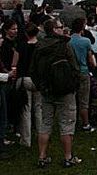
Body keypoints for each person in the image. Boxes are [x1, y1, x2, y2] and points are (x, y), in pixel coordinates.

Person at [30, 18, 82, 169]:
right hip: (65, 90)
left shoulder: (39, 46)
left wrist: (41, 86)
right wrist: (73, 84)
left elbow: (33, 70)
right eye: (60, 27)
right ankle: (68, 157)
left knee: (45, 123)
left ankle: (42, 156)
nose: (62, 29)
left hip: (46, 90)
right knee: (66, 124)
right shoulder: (64, 45)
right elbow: (75, 67)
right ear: (54, 29)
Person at [69, 17, 97, 132]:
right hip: (83, 71)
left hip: (71, 72)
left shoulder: (68, 41)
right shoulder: (86, 41)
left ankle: (72, 122)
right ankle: (86, 124)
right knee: (84, 100)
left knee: (72, 99)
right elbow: (90, 59)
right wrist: (93, 66)